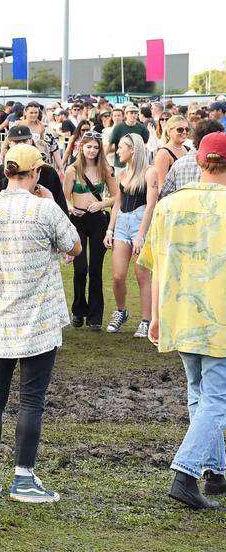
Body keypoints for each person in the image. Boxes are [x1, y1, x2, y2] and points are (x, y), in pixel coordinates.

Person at [0, 144, 81, 503]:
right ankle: (23, 479)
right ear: (35, 174)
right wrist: (50, 202)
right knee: (31, 401)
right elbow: (74, 247)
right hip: (37, 319)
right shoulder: (45, 209)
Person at [138, 131, 226, 510]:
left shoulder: (170, 205)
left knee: (199, 393)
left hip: (180, 312)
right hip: (219, 316)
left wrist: (156, 316)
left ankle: (215, 469)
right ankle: (186, 473)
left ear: (200, 161)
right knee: (216, 398)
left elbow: (155, 264)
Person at [63, 132, 118, 330]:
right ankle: (78, 311)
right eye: (89, 147)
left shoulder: (106, 169)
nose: (92, 151)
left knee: (95, 270)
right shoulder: (72, 170)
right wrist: (71, 208)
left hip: (97, 220)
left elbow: (116, 197)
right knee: (80, 269)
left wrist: (102, 203)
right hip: (77, 220)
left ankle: (95, 317)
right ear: (81, 148)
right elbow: (65, 196)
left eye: (96, 147)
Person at [105, 133, 158, 337]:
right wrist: (110, 228)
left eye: (121, 147)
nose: (117, 151)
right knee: (118, 276)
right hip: (122, 224)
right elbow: (118, 202)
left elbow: (151, 204)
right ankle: (121, 311)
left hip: (140, 222)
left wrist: (141, 234)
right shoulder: (122, 173)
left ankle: (146, 320)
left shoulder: (149, 172)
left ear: (133, 149)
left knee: (142, 275)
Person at [159, 118, 224, 200]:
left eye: (187, 129)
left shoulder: (179, 164)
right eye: (180, 129)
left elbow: (165, 195)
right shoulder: (221, 163)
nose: (184, 132)